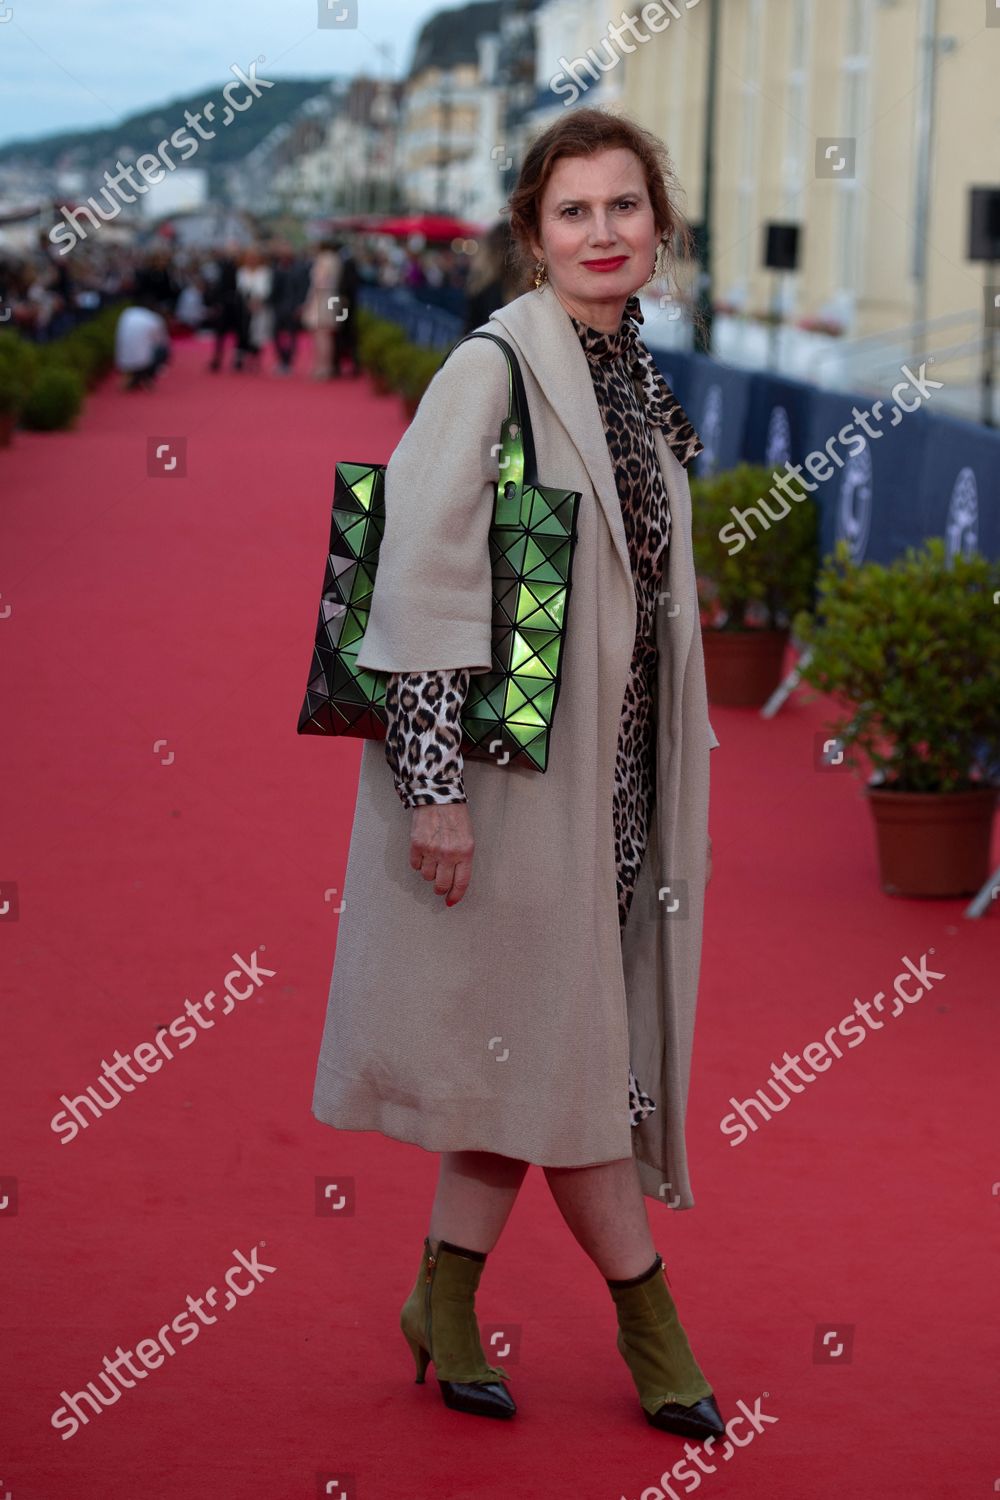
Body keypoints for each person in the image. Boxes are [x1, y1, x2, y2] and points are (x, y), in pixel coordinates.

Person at [310, 107, 722, 1436]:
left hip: (614, 787)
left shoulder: (640, 377)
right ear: (530, 236)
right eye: (574, 211)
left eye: (625, 207)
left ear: (659, 226)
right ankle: (654, 1326)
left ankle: (442, 1291)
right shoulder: (494, 368)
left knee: (527, 1055)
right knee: (578, 1061)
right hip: (506, 787)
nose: (604, 232)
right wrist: (432, 792)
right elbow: (416, 587)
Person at [300, 238, 342, 380]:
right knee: (326, 335)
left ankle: (322, 367)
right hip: (331, 298)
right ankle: (325, 366)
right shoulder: (336, 259)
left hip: (322, 299)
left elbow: (319, 283)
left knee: (321, 335)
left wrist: (309, 302)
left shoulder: (324, 260)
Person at [268, 243, 309, 376]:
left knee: (292, 336)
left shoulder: (300, 269)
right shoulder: (275, 268)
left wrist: (300, 306)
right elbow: (273, 290)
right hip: (278, 308)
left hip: (293, 307)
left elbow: (303, 288)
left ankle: (288, 361)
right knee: (276, 335)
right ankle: (281, 359)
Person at [114, 295, 169, 390]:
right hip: (142, 361)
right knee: (163, 350)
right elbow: (161, 341)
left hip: (122, 360)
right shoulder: (154, 318)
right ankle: (145, 376)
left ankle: (135, 377)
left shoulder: (127, 313)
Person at [235, 246, 273, 372]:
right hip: (243, 307)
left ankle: (255, 358)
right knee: (244, 332)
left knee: (257, 333)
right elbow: (240, 288)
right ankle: (241, 358)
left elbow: (266, 289)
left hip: (260, 307)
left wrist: (257, 301)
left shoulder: (265, 272)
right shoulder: (241, 271)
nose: (252, 260)